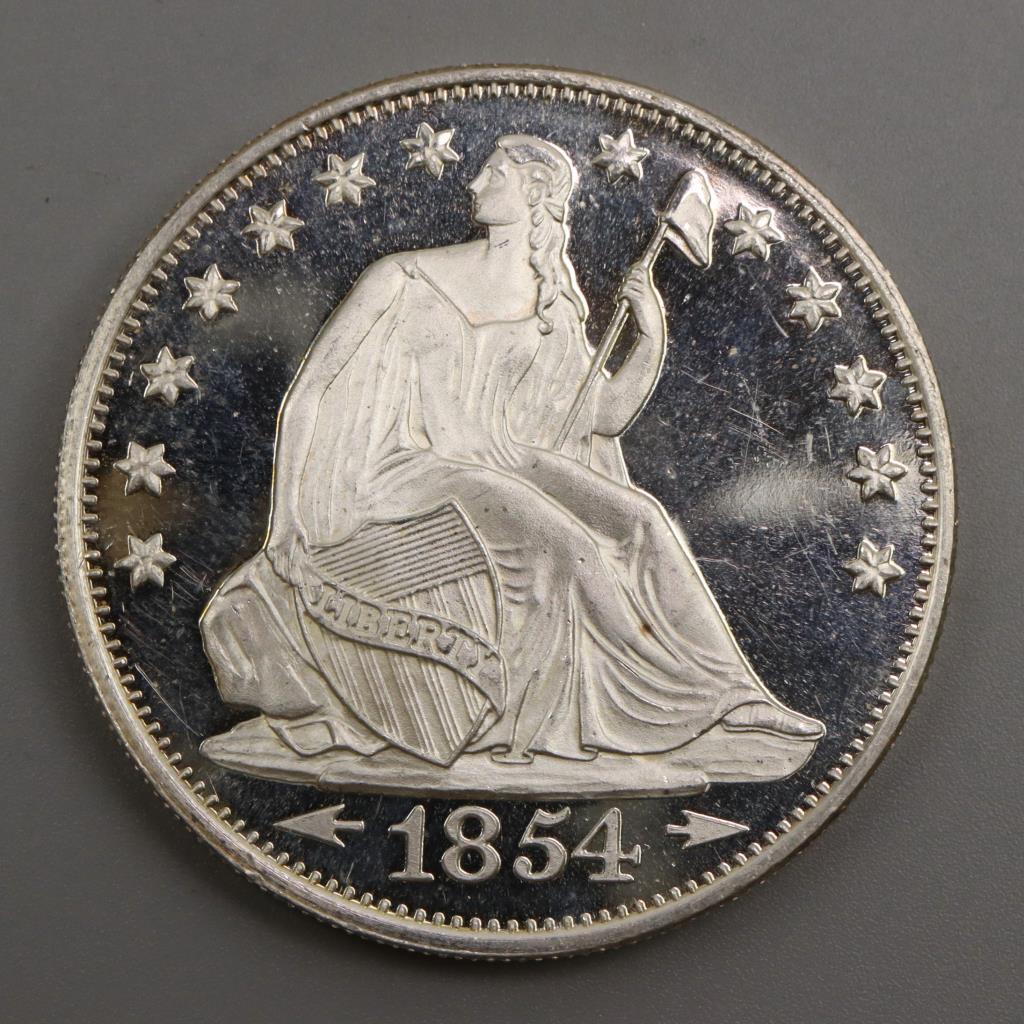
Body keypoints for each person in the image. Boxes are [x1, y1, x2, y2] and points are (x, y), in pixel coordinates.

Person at [200, 134, 823, 788]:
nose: (474, 185)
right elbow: (311, 391)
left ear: (534, 193)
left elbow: (604, 415)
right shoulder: (401, 277)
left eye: (492, 174)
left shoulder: (551, 297)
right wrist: (288, 522)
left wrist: (651, 333)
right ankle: (666, 711)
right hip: (410, 468)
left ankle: (733, 697)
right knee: (567, 545)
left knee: (642, 521)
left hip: (501, 458)